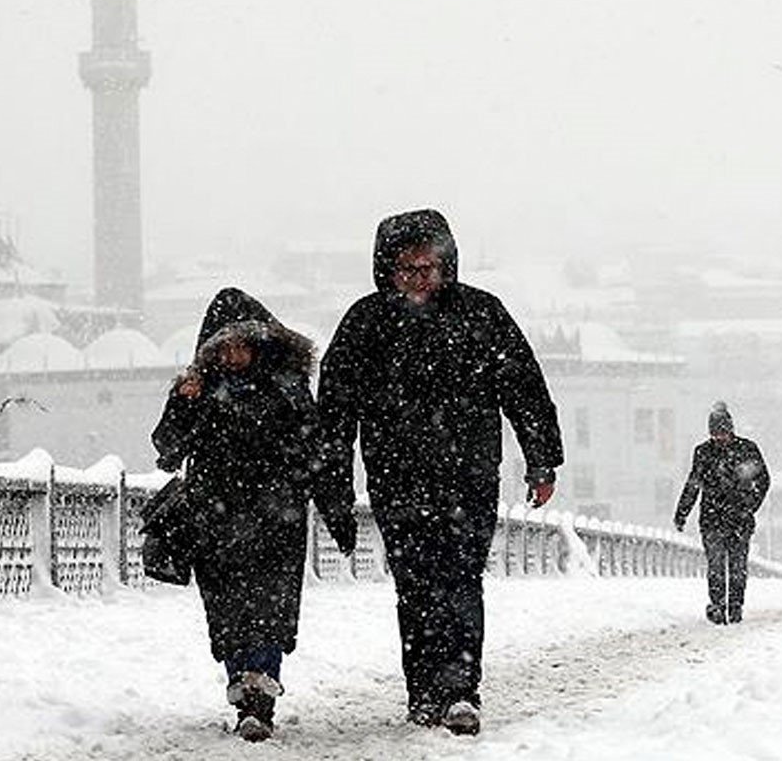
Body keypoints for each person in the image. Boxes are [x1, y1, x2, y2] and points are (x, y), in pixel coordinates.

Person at [316, 209, 563, 736]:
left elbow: (524, 388)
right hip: (396, 479)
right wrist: (333, 483)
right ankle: (424, 690)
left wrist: (542, 458)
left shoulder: (481, 314)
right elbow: (334, 412)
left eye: (429, 267)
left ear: (446, 266)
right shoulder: (365, 324)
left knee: (459, 579)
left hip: (468, 476)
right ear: (389, 270)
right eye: (408, 268)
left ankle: (458, 689)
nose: (420, 278)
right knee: (415, 584)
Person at [151, 287, 357, 743]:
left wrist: (337, 512)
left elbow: (317, 455)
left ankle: (259, 698)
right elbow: (167, 451)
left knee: (269, 609)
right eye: (225, 346)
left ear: (263, 342)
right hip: (215, 521)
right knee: (227, 613)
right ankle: (242, 688)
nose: (235, 354)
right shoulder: (199, 391)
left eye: (243, 343)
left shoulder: (288, 390)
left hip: (276, 521)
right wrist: (183, 402)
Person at [674, 401, 770, 625]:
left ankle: (735, 607)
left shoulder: (747, 449)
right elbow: (693, 484)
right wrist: (682, 512)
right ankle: (718, 605)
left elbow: (763, 480)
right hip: (712, 519)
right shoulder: (703, 452)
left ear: (731, 429)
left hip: (738, 519)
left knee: (737, 566)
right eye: (715, 434)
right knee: (716, 566)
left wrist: (749, 507)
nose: (720, 438)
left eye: (723, 433)